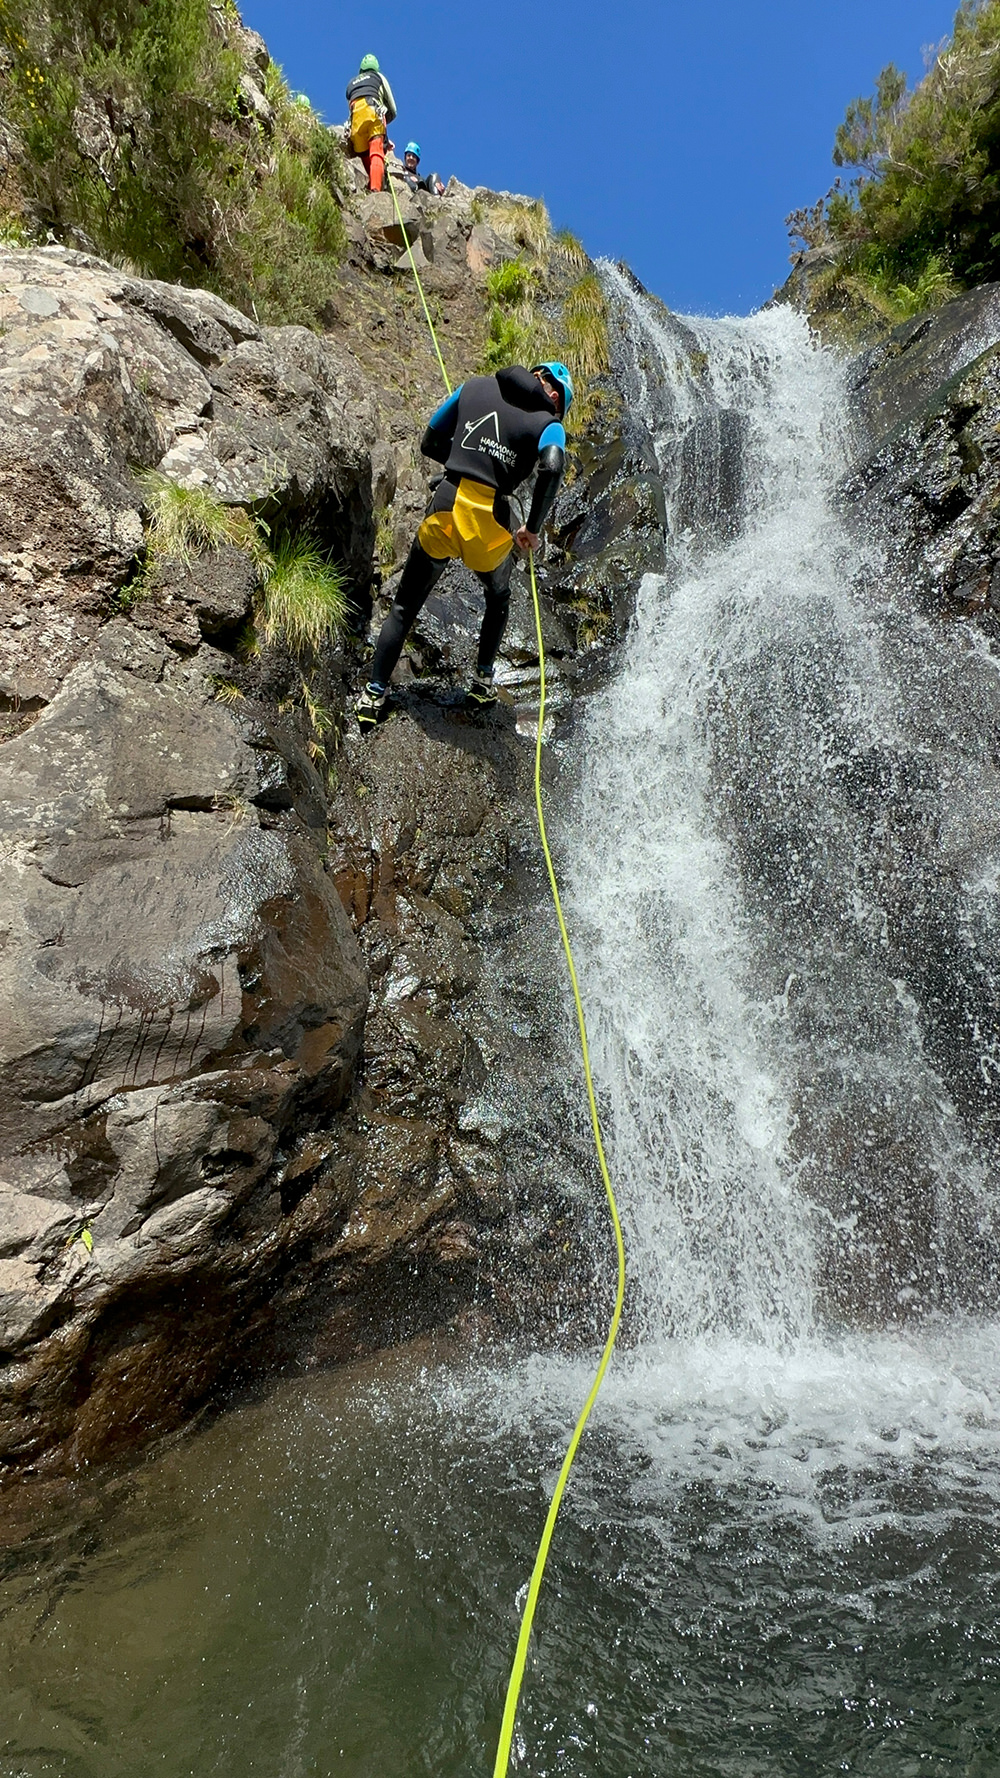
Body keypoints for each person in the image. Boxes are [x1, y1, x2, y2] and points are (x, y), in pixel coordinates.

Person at [356, 362, 574, 726]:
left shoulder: (472, 386)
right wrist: (532, 528)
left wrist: (465, 462)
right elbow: (552, 467)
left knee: (404, 607)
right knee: (498, 597)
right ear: (554, 396)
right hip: (487, 527)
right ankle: (481, 681)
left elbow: (429, 442)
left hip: (444, 509)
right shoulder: (549, 425)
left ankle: (373, 695)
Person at [345, 54, 397, 192]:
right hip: (374, 112)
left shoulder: (351, 84)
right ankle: (375, 188)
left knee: (363, 155)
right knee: (376, 151)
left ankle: (368, 184)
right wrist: (384, 135)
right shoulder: (379, 77)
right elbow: (393, 109)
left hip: (356, 120)